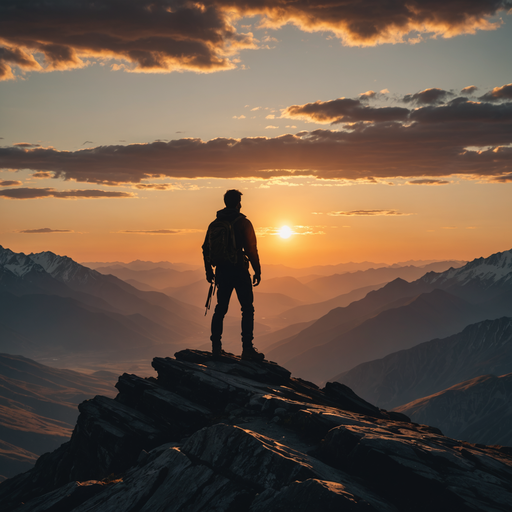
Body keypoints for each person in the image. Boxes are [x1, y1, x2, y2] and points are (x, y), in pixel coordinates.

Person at [202, 189, 265, 361]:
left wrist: (209, 271)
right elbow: (251, 249)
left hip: (222, 271)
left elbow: (205, 249)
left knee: (220, 309)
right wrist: (257, 270)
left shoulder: (215, 223)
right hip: (239, 270)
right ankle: (247, 349)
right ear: (238, 203)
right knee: (247, 308)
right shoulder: (243, 223)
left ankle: (216, 348)